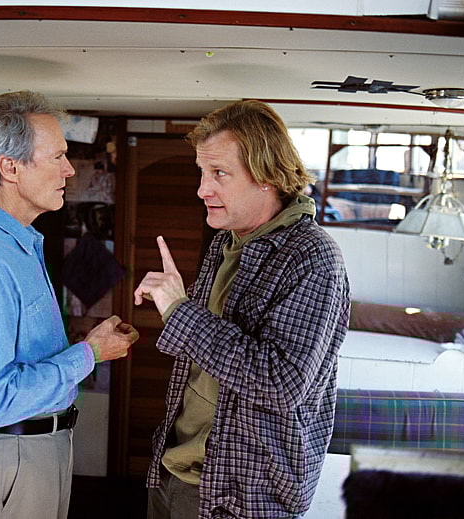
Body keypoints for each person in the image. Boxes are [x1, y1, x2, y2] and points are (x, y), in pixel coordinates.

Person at [0, 90, 139, 519]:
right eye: (57, 156)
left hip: (26, 453)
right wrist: (90, 353)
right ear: (10, 168)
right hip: (8, 459)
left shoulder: (12, 242)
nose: (69, 169)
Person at [134, 100, 350, 519]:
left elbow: (280, 384)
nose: (202, 189)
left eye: (219, 173)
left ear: (267, 175)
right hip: (176, 471)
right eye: (202, 172)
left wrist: (179, 311)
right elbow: (205, 356)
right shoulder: (227, 240)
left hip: (243, 497)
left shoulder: (314, 257)